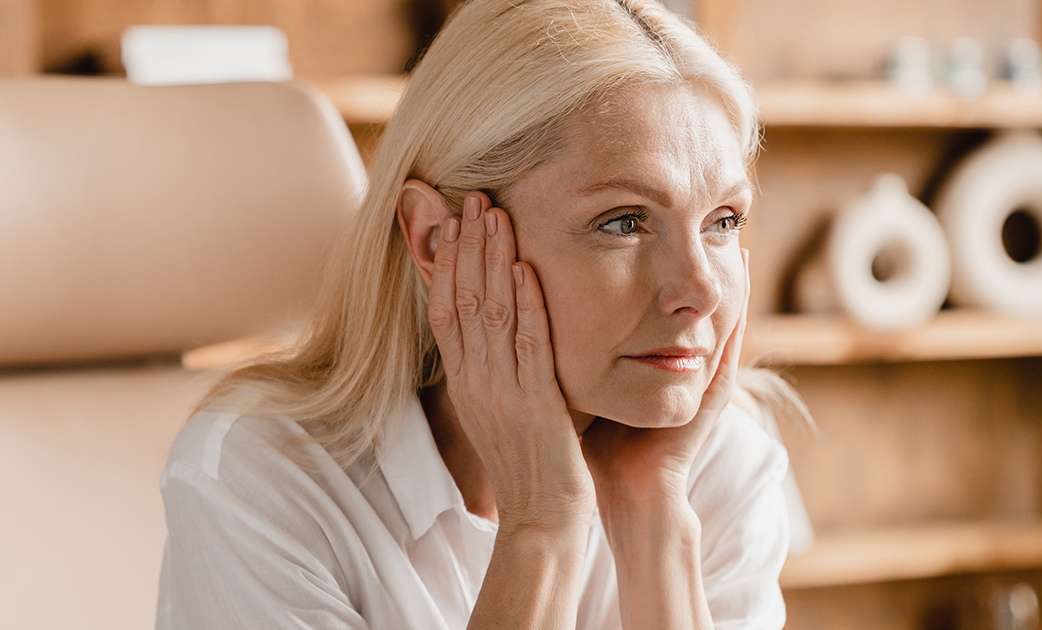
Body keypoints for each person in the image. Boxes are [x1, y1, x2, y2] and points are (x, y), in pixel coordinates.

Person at [156, 0, 809, 628]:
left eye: (723, 221)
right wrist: (541, 525)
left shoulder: (723, 463)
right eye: (624, 221)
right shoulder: (258, 481)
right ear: (438, 242)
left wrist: (653, 514)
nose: (701, 288)